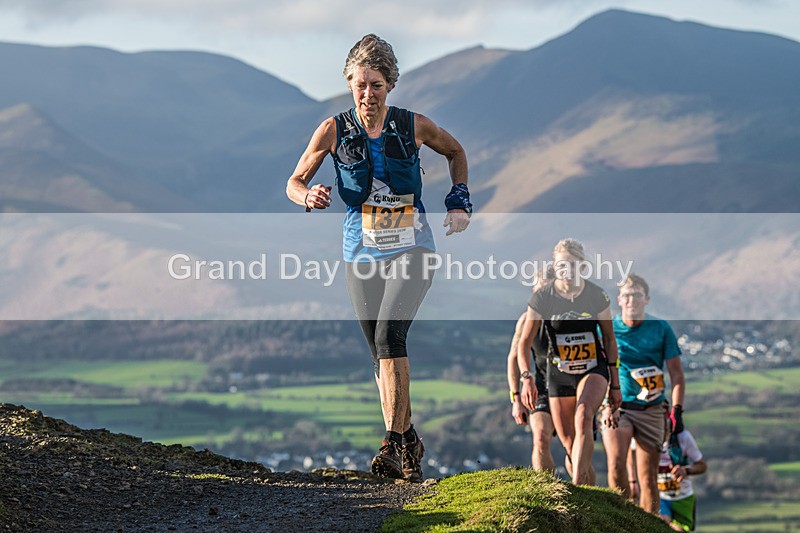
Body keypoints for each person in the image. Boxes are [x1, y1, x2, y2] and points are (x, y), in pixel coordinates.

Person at [286, 34, 471, 481]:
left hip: (414, 248)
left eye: (377, 85)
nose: (368, 94)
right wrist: (307, 195)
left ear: (390, 86)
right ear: (349, 84)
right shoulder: (332, 129)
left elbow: (456, 151)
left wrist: (459, 198)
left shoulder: (414, 125)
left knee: (390, 337)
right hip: (360, 253)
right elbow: (293, 181)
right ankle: (407, 440)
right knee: (379, 353)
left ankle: (391, 443)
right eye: (360, 85)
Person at [519, 238, 622, 485]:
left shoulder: (596, 295)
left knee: (584, 415)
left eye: (573, 265)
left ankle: (576, 485)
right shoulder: (543, 297)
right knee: (569, 442)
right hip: (559, 373)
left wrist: (615, 384)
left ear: (582, 266)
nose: (567, 270)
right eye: (562, 265)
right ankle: (587, 489)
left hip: (592, 368)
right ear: (555, 266)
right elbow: (524, 343)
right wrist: (526, 378)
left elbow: (609, 339)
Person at [601, 273, 686, 515]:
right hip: (619, 407)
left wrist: (676, 413)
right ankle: (622, 520)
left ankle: (648, 524)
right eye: (627, 295)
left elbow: (677, 375)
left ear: (646, 299)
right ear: (619, 299)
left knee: (648, 477)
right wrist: (606, 403)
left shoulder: (661, 328)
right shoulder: (609, 329)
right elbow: (600, 369)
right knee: (616, 465)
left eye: (637, 295)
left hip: (652, 409)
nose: (631, 300)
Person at [508, 269, 556, 472]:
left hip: (573, 387)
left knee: (574, 445)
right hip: (541, 389)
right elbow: (513, 358)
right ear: (533, 290)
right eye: (540, 289)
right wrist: (516, 398)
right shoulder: (526, 319)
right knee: (541, 437)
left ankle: (585, 495)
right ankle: (547, 491)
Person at [657, 421, 707, 531]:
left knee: (679, 530)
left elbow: (702, 466)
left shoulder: (682, 437)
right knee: (660, 525)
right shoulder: (645, 435)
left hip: (683, 497)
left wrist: (686, 470)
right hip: (660, 497)